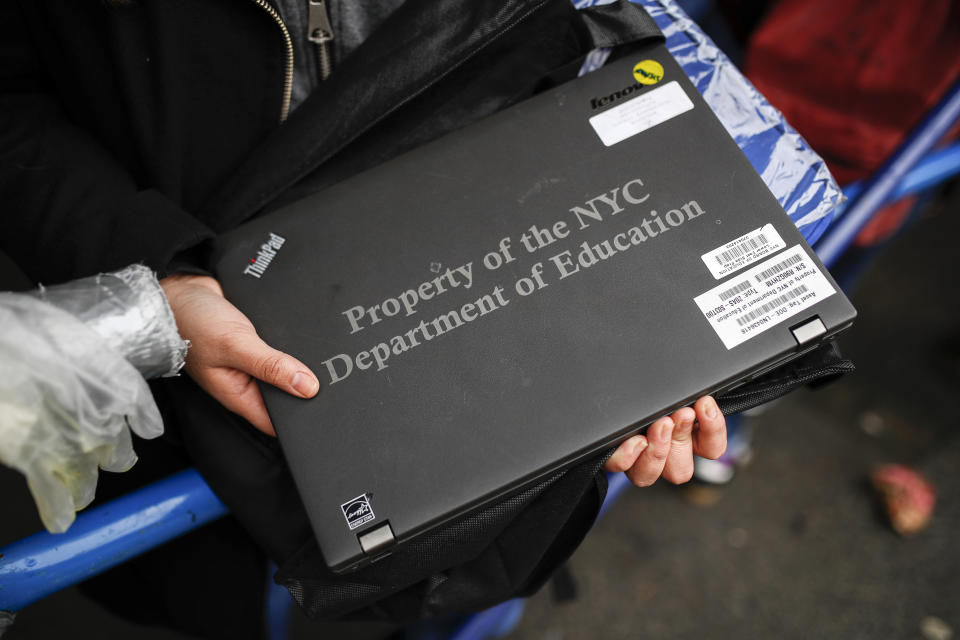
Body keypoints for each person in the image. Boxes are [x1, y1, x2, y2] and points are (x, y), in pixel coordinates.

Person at [0, 0, 725, 635]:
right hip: (190, 343)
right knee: (207, 584)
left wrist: (637, 308)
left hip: (505, 282)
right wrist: (158, 275)